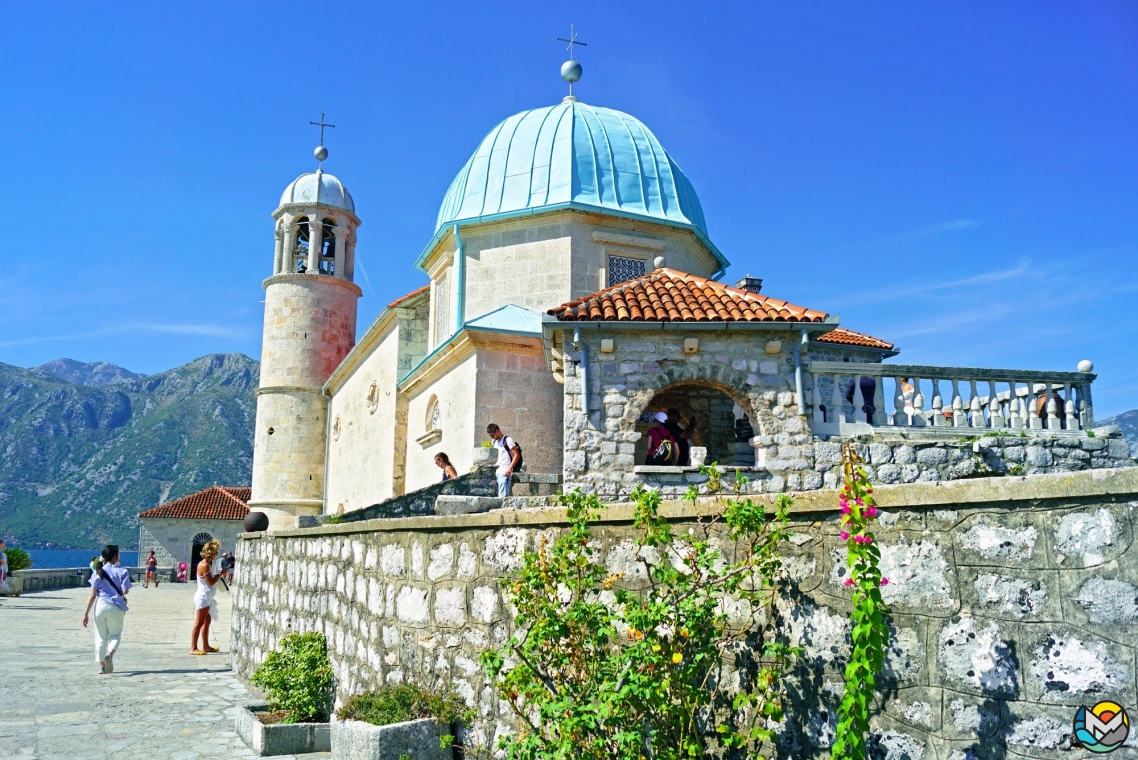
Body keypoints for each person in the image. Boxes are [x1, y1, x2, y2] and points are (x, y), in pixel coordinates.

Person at [81, 544, 131, 674]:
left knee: (100, 636)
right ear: (116, 556)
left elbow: (92, 595)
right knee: (115, 634)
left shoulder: (98, 572)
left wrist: (85, 613)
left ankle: (102, 666)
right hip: (116, 607)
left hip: (100, 605)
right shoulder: (123, 571)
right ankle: (110, 653)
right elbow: (125, 591)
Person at [191, 540, 225, 654]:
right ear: (212, 553)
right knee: (199, 623)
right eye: (216, 552)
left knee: (207, 621)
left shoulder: (206, 564)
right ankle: (193, 648)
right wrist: (220, 574)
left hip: (207, 596)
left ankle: (206, 645)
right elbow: (210, 582)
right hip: (203, 596)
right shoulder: (204, 565)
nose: (217, 554)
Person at [486, 424, 521, 498]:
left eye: (492, 435)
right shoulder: (494, 442)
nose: (491, 437)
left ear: (497, 431)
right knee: (497, 497)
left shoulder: (508, 440)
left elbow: (517, 455)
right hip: (497, 472)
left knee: (503, 497)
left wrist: (509, 467)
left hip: (505, 471)